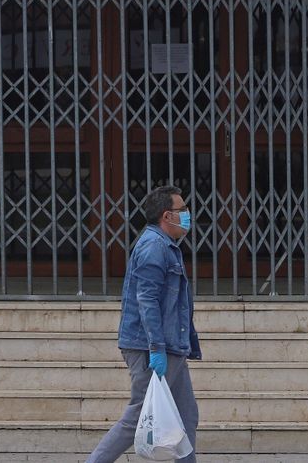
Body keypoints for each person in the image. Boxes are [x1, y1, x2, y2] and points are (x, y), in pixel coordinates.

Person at [85, 184, 200, 463]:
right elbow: (146, 300)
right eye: (181, 209)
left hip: (171, 345)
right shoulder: (153, 247)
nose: (187, 215)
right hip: (152, 347)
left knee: (187, 415)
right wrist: (156, 348)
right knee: (137, 416)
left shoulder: (167, 247)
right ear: (166, 216)